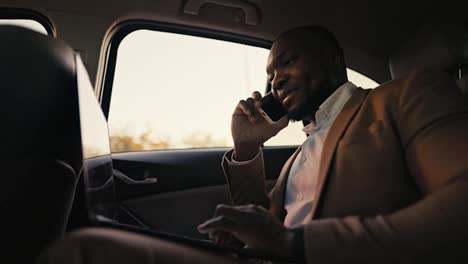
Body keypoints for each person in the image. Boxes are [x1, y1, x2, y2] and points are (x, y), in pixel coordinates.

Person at [39, 26, 468, 264]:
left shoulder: (403, 96)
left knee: (86, 254)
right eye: (269, 72)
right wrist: (245, 149)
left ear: (335, 61)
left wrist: (296, 245)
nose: (275, 78)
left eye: (288, 61)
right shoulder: (302, 150)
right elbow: (266, 220)